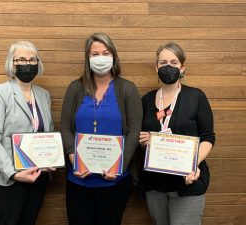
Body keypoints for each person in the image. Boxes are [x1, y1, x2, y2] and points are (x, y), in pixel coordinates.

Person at [61, 32, 143, 225]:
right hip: (79, 180)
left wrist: (120, 166)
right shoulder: (75, 88)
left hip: (115, 180)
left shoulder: (127, 89)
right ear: (87, 58)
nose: (100, 58)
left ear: (113, 56)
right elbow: (65, 127)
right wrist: (75, 160)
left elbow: (134, 132)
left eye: (105, 53)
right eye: (95, 54)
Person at [139, 42, 215, 225]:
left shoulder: (196, 97)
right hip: (154, 185)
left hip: (188, 182)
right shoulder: (146, 100)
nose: (168, 67)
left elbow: (208, 137)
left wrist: (192, 164)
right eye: (163, 62)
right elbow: (140, 138)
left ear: (182, 68)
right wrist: (144, 142)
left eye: (174, 62)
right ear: (156, 67)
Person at [0, 41, 55, 225]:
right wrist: (13, 173)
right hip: (8, 181)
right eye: (21, 59)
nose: (27, 64)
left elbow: (47, 134)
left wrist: (49, 160)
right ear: (11, 63)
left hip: (37, 178)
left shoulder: (43, 95)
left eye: (32, 60)